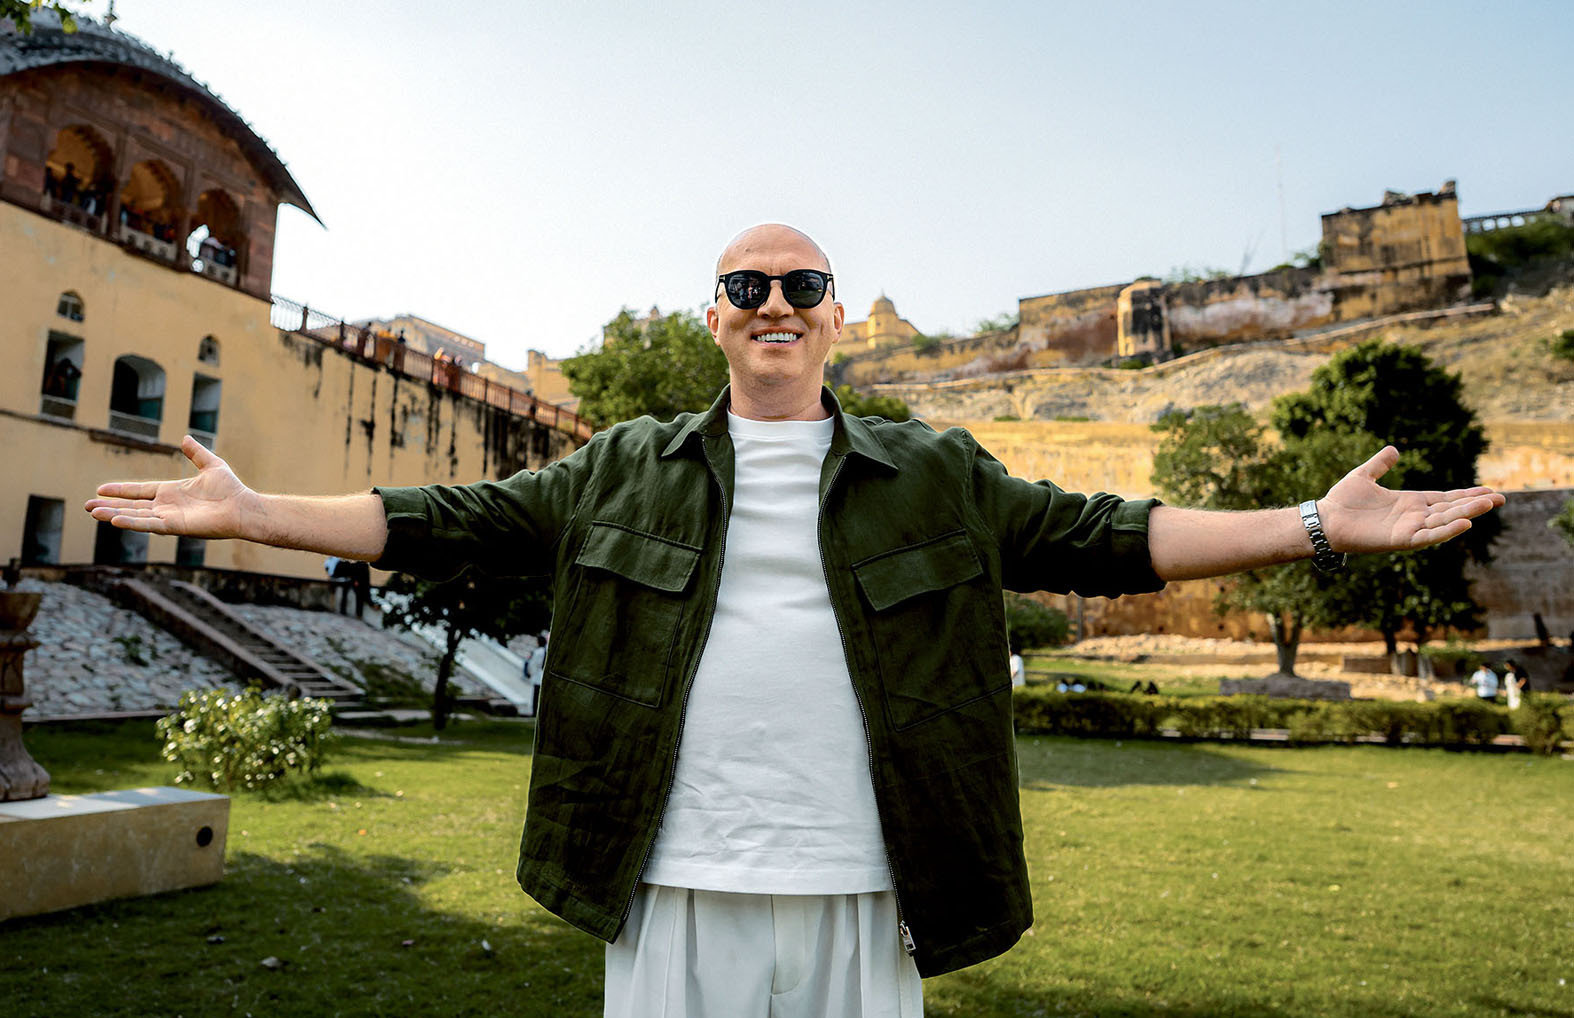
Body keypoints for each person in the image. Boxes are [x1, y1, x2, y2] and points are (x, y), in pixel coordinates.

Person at [84, 223, 1505, 1018]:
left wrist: (1312, 525)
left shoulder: (935, 473)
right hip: (667, 880)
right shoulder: (620, 466)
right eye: (747, 286)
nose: (776, 302)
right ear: (713, 317)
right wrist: (257, 510)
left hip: (869, 886)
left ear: (834, 322)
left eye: (804, 287)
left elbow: (1111, 536)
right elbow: (440, 519)